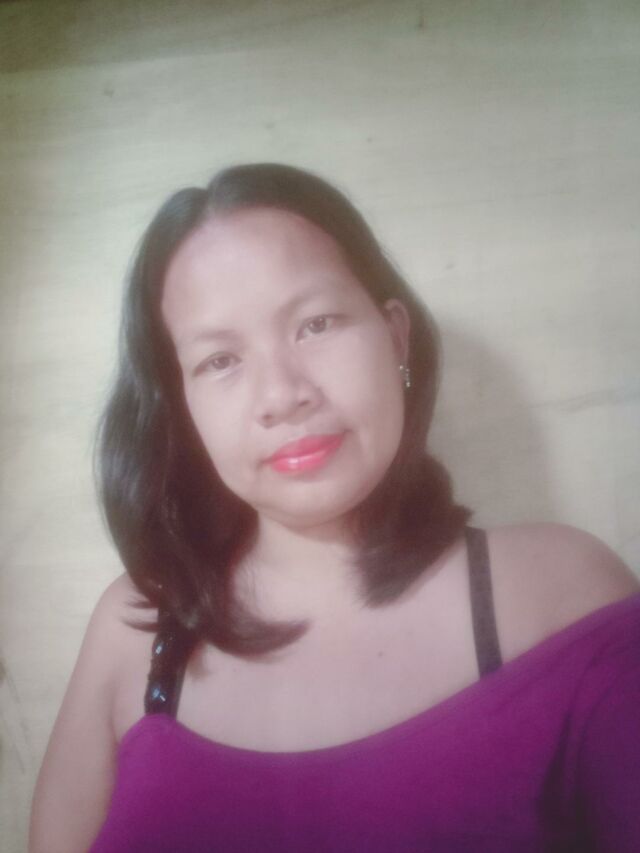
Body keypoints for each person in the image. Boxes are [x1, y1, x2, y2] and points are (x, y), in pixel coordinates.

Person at [30, 163, 640, 852]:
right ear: (183, 407)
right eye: (220, 360)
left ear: (396, 337)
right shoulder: (137, 628)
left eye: (315, 324)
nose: (282, 394)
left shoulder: (561, 594)